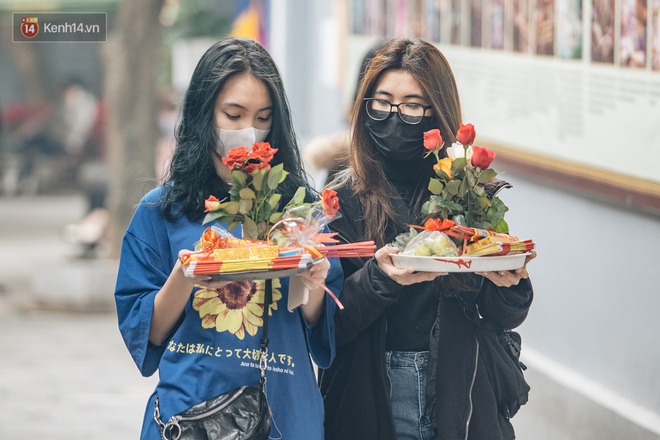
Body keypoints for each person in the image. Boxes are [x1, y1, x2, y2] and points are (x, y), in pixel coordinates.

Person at [114, 37, 343, 440]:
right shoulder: (160, 212)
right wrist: (184, 276)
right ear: (205, 113)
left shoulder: (300, 208)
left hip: (286, 415)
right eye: (233, 115)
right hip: (192, 415)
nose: (247, 133)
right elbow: (145, 333)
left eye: (262, 118)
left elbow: (324, 331)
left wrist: (314, 281)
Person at [318, 37, 536, 440]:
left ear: (437, 112)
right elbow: (328, 326)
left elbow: (505, 315)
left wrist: (511, 283)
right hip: (370, 393)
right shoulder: (343, 197)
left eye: (412, 106)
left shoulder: (467, 188)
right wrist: (380, 279)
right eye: (382, 103)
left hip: (460, 392)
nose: (395, 116)